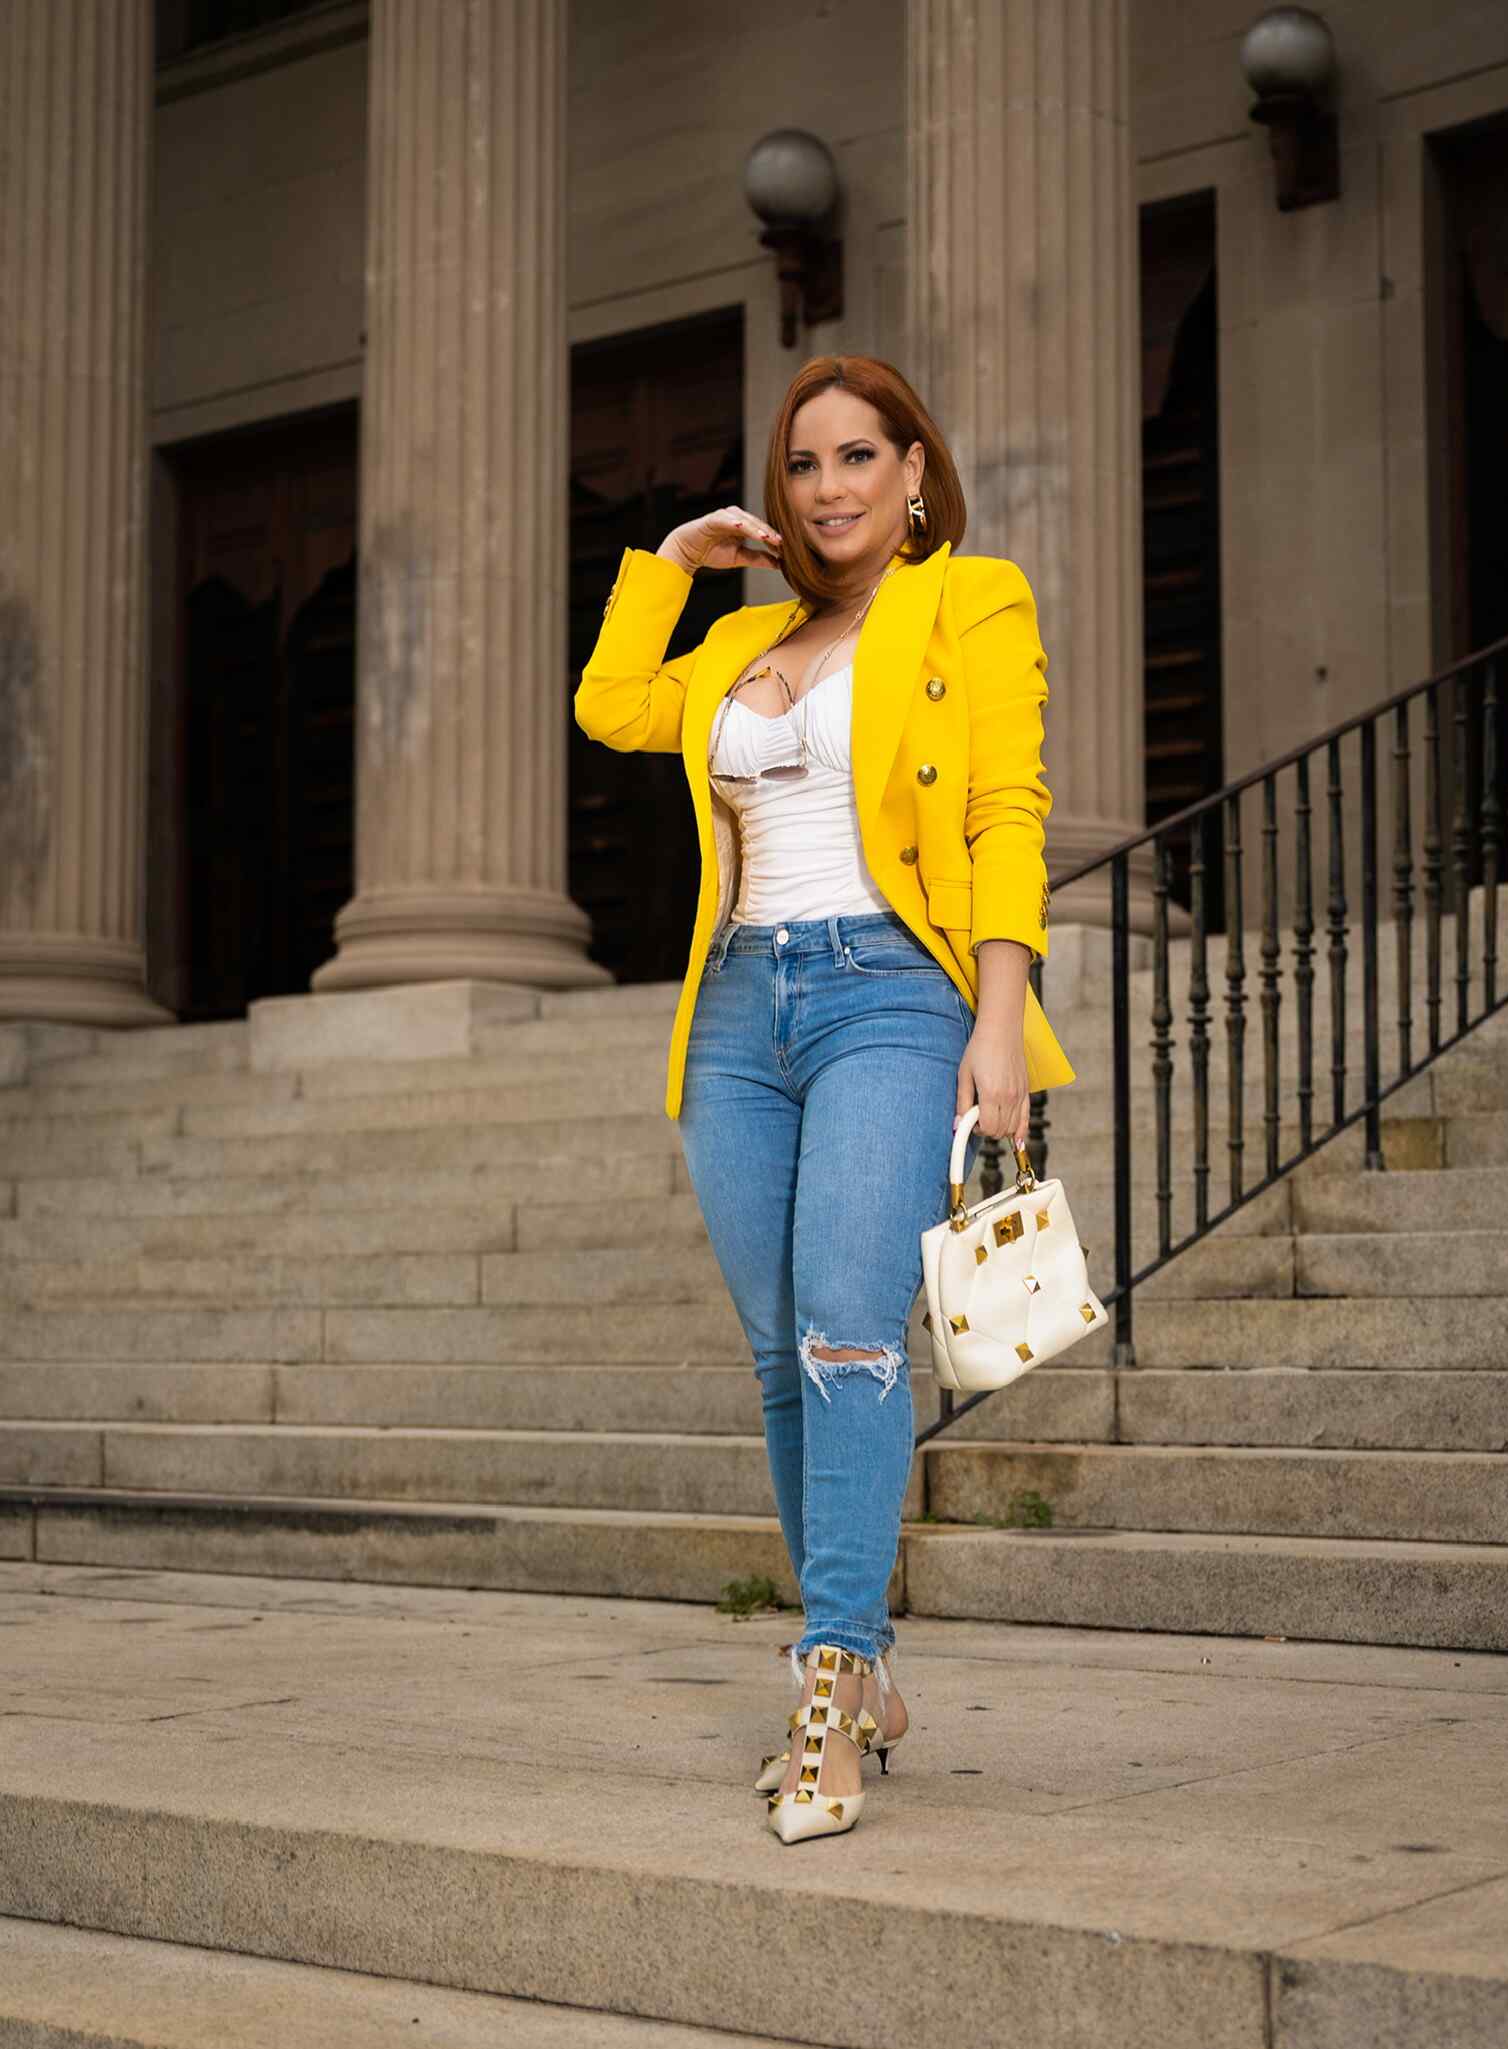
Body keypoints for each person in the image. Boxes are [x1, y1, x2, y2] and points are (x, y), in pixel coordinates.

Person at [574, 354, 1075, 1843]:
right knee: (783, 1359)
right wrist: (671, 565)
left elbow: (1005, 810)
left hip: (893, 994)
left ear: (914, 472)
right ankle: (855, 1666)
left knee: (852, 1328)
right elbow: (609, 706)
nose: (830, 486)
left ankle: (835, 1679)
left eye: (861, 455)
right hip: (739, 1010)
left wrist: (999, 1021)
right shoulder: (743, 637)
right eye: (803, 464)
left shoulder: (970, 601)